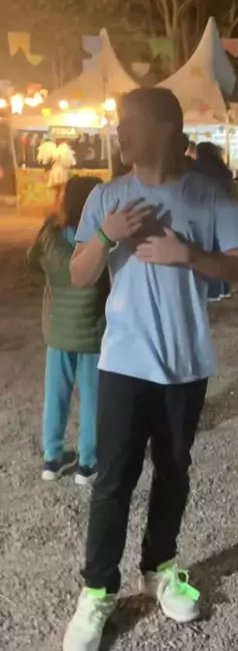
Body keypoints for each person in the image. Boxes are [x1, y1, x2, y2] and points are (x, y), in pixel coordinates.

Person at [63, 87, 238, 651]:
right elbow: (78, 274)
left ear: (167, 127)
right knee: (113, 480)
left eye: (131, 122)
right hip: (123, 362)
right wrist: (107, 235)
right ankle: (97, 592)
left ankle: (160, 569)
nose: (120, 133)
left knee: (173, 470)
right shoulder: (108, 196)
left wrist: (188, 254)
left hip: (186, 363)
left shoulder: (208, 195)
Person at [27, 175, 108, 486]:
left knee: (56, 395)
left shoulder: (50, 236)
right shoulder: (101, 240)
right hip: (92, 332)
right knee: (92, 398)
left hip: (58, 332)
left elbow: (32, 261)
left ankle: (52, 458)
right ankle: (87, 464)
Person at [194, 142, 234, 301]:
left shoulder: (196, 168)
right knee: (220, 251)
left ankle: (211, 289)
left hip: (202, 214)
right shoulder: (223, 170)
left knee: (205, 251)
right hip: (222, 214)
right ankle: (223, 288)